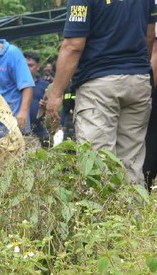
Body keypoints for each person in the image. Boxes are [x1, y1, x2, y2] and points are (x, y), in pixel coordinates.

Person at [46, 0, 156, 185]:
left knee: (98, 164)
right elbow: (149, 36)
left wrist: (56, 94)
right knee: (131, 163)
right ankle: (132, 211)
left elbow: (73, 45)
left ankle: (104, 212)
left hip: (98, 85)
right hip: (138, 81)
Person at [23, 51, 50, 147]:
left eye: (30, 65)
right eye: (24, 65)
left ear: (38, 67)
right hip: (18, 134)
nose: (26, 68)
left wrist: (47, 106)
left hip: (40, 133)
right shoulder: (13, 86)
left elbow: (53, 112)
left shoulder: (45, 86)